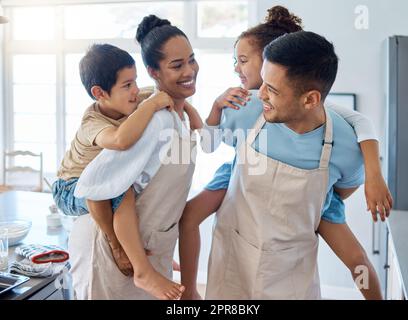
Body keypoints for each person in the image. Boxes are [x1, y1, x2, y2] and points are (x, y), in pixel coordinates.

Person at [180, 8, 390, 299]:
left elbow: (355, 253)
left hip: (290, 278)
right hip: (233, 262)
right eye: (262, 82)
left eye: (273, 89)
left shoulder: (344, 148)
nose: (260, 93)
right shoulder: (245, 110)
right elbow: (207, 142)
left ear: (311, 99)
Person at [66, 15, 202, 300]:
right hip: (111, 254)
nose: (189, 69)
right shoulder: (153, 120)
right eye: (177, 65)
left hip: (152, 249)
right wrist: (117, 246)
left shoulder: (172, 113)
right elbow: (94, 184)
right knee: (122, 193)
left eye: (192, 59)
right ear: (154, 72)